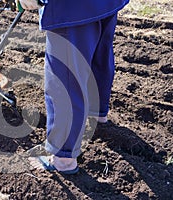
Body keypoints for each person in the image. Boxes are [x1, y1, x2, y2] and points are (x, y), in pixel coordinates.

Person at [17, 0, 130, 174]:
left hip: (70, 7)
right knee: (99, 52)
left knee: (66, 77)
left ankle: (63, 158)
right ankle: (97, 116)